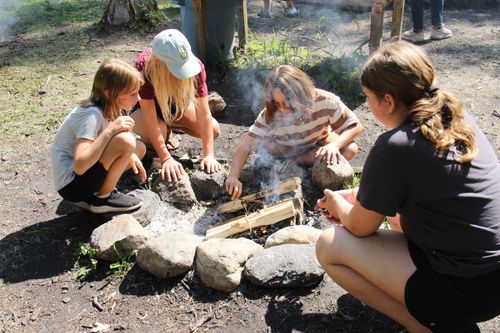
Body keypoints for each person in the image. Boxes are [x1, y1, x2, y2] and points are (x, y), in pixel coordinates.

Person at [315, 41, 500, 333]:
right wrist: (361, 197)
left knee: (328, 245)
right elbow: (432, 195)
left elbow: (360, 228)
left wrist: (339, 205)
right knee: (395, 218)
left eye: (368, 97)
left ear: (387, 101)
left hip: (464, 289)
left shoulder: (394, 147)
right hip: (492, 282)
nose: (368, 104)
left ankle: (425, 327)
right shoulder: (458, 119)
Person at [225, 65, 363, 200]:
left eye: (287, 103)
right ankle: (303, 162)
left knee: (350, 148)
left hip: (316, 143)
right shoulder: (271, 113)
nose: (283, 109)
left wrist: (335, 145)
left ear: (301, 93)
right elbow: (246, 143)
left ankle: (297, 162)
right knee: (264, 145)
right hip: (285, 149)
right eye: (277, 103)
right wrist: (233, 175)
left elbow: (355, 126)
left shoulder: (325, 101)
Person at [51, 59, 146, 214]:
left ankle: (92, 196)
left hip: (82, 179)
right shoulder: (91, 115)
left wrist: (128, 155)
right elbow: (80, 166)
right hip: (71, 185)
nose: (139, 99)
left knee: (138, 147)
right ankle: (102, 199)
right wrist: (111, 131)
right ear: (109, 93)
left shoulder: (110, 106)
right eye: (132, 94)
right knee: (127, 141)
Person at [131, 29, 221, 183]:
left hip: (176, 108)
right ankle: (154, 148)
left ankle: (168, 131)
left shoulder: (196, 67)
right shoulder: (144, 68)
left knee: (213, 129)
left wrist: (209, 155)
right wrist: (166, 158)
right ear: (160, 63)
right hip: (145, 111)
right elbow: (150, 117)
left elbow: (204, 114)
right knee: (161, 130)